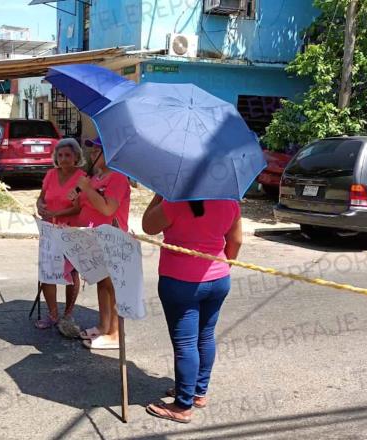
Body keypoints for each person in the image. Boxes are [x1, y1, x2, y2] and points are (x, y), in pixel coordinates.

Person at [141, 194, 243, 424]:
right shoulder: (229, 201)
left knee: (186, 342)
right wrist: (223, 266)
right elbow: (236, 241)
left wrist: (160, 193)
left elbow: (148, 225)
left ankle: (182, 405)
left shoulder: (175, 202)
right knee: (205, 335)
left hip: (180, 281)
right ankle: (198, 393)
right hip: (218, 279)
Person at [76, 137, 131, 350]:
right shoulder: (99, 177)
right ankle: (103, 325)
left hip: (112, 239)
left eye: (97, 150)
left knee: (112, 286)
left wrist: (87, 189)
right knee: (101, 282)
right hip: (95, 236)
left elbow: (108, 209)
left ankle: (115, 333)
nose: (92, 154)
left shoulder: (117, 178)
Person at [35, 138, 86, 331]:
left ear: (76, 157)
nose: (63, 159)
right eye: (60, 155)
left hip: (70, 231)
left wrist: (57, 214)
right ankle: (53, 314)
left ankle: (68, 314)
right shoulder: (50, 174)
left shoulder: (82, 178)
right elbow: (42, 196)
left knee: (70, 273)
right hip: (49, 230)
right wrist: (40, 205)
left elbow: (78, 207)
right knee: (48, 271)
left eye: (68, 155)